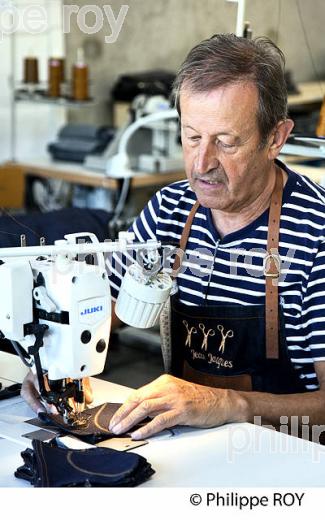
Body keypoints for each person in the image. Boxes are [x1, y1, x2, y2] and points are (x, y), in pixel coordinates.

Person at [22, 34, 325, 442]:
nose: (201, 164)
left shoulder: (315, 234)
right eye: (192, 136)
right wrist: (56, 361)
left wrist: (232, 405)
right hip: (190, 446)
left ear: (276, 138)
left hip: (292, 456)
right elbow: (100, 305)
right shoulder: (170, 210)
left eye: (226, 141)